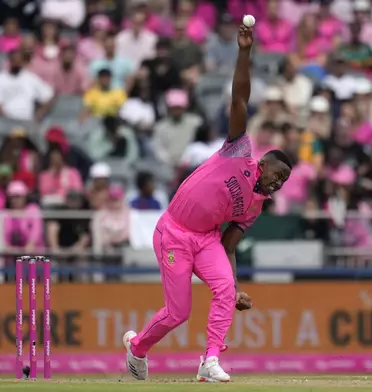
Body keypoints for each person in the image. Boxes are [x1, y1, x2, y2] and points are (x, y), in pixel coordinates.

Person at [123, 24, 292, 383]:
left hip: (207, 240)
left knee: (225, 288)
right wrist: (245, 52)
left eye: (284, 181)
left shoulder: (255, 206)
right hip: (173, 233)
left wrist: (235, 286)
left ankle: (210, 360)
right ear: (261, 164)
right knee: (178, 312)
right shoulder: (238, 151)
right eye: (276, 174)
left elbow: (229, 245)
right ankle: (137, 347)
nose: (278, 182)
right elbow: (240, 100)